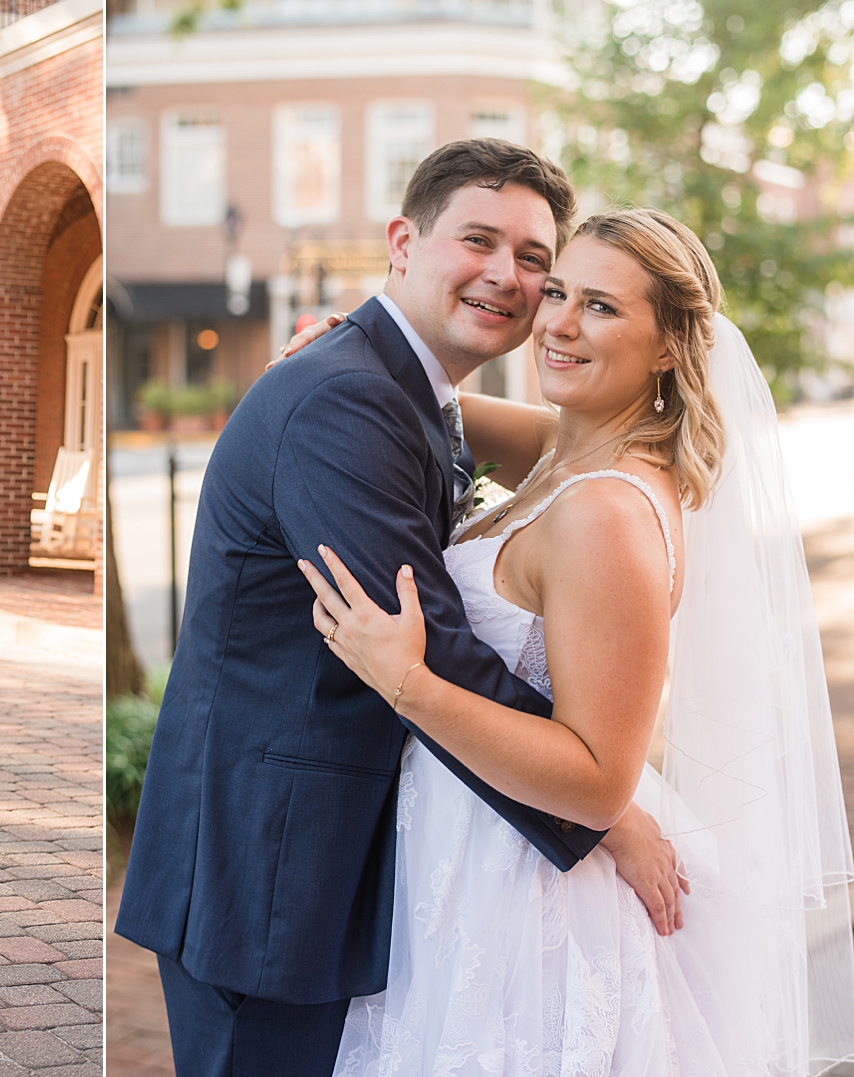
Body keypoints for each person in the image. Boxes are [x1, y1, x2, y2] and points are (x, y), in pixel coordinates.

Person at [113, 140, 685, 1077]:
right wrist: (608, 811)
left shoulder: (417, 394)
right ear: (403, 242)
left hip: (351, 864)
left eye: (535, 259)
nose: (508, 275)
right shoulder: (351, 398)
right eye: (478, 240)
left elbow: (579, 447)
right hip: (268, 872)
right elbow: (430, 646)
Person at [302, 209, 854, 1073]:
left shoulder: (604, 512)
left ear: (670, 345)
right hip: (473, 846)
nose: (557, 322)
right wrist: (359, 345)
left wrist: (407, 683)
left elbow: (600, 782)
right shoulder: (573, 451)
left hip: (531, 892)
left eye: (600, 307)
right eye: (557, 290)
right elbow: (449, 409)